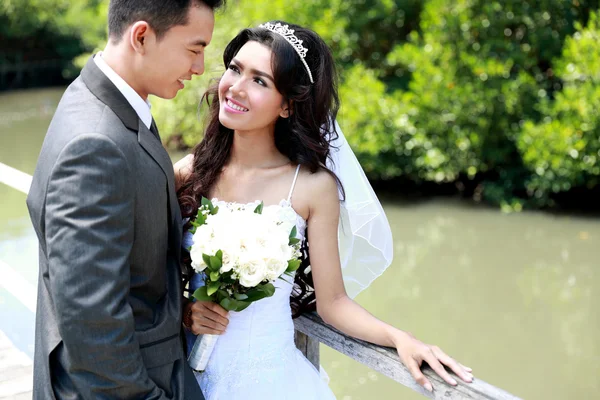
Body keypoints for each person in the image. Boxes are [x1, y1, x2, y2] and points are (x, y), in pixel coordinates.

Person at [175, 21, 474, 399]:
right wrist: (184, 309)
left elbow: (333, 303)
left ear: (287, 105)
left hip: (270, 383)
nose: (235, 87)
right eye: (235, 69)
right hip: (184, 378)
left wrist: (400, 337)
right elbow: (140, 270)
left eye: (259, 81)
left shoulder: (312, 188)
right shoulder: (189, 173)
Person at [25, 0, 223, 398]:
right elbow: (92, 323)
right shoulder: (94, 144)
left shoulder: (102, 102)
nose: (200, 67)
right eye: (195, 49)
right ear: (142, 36)